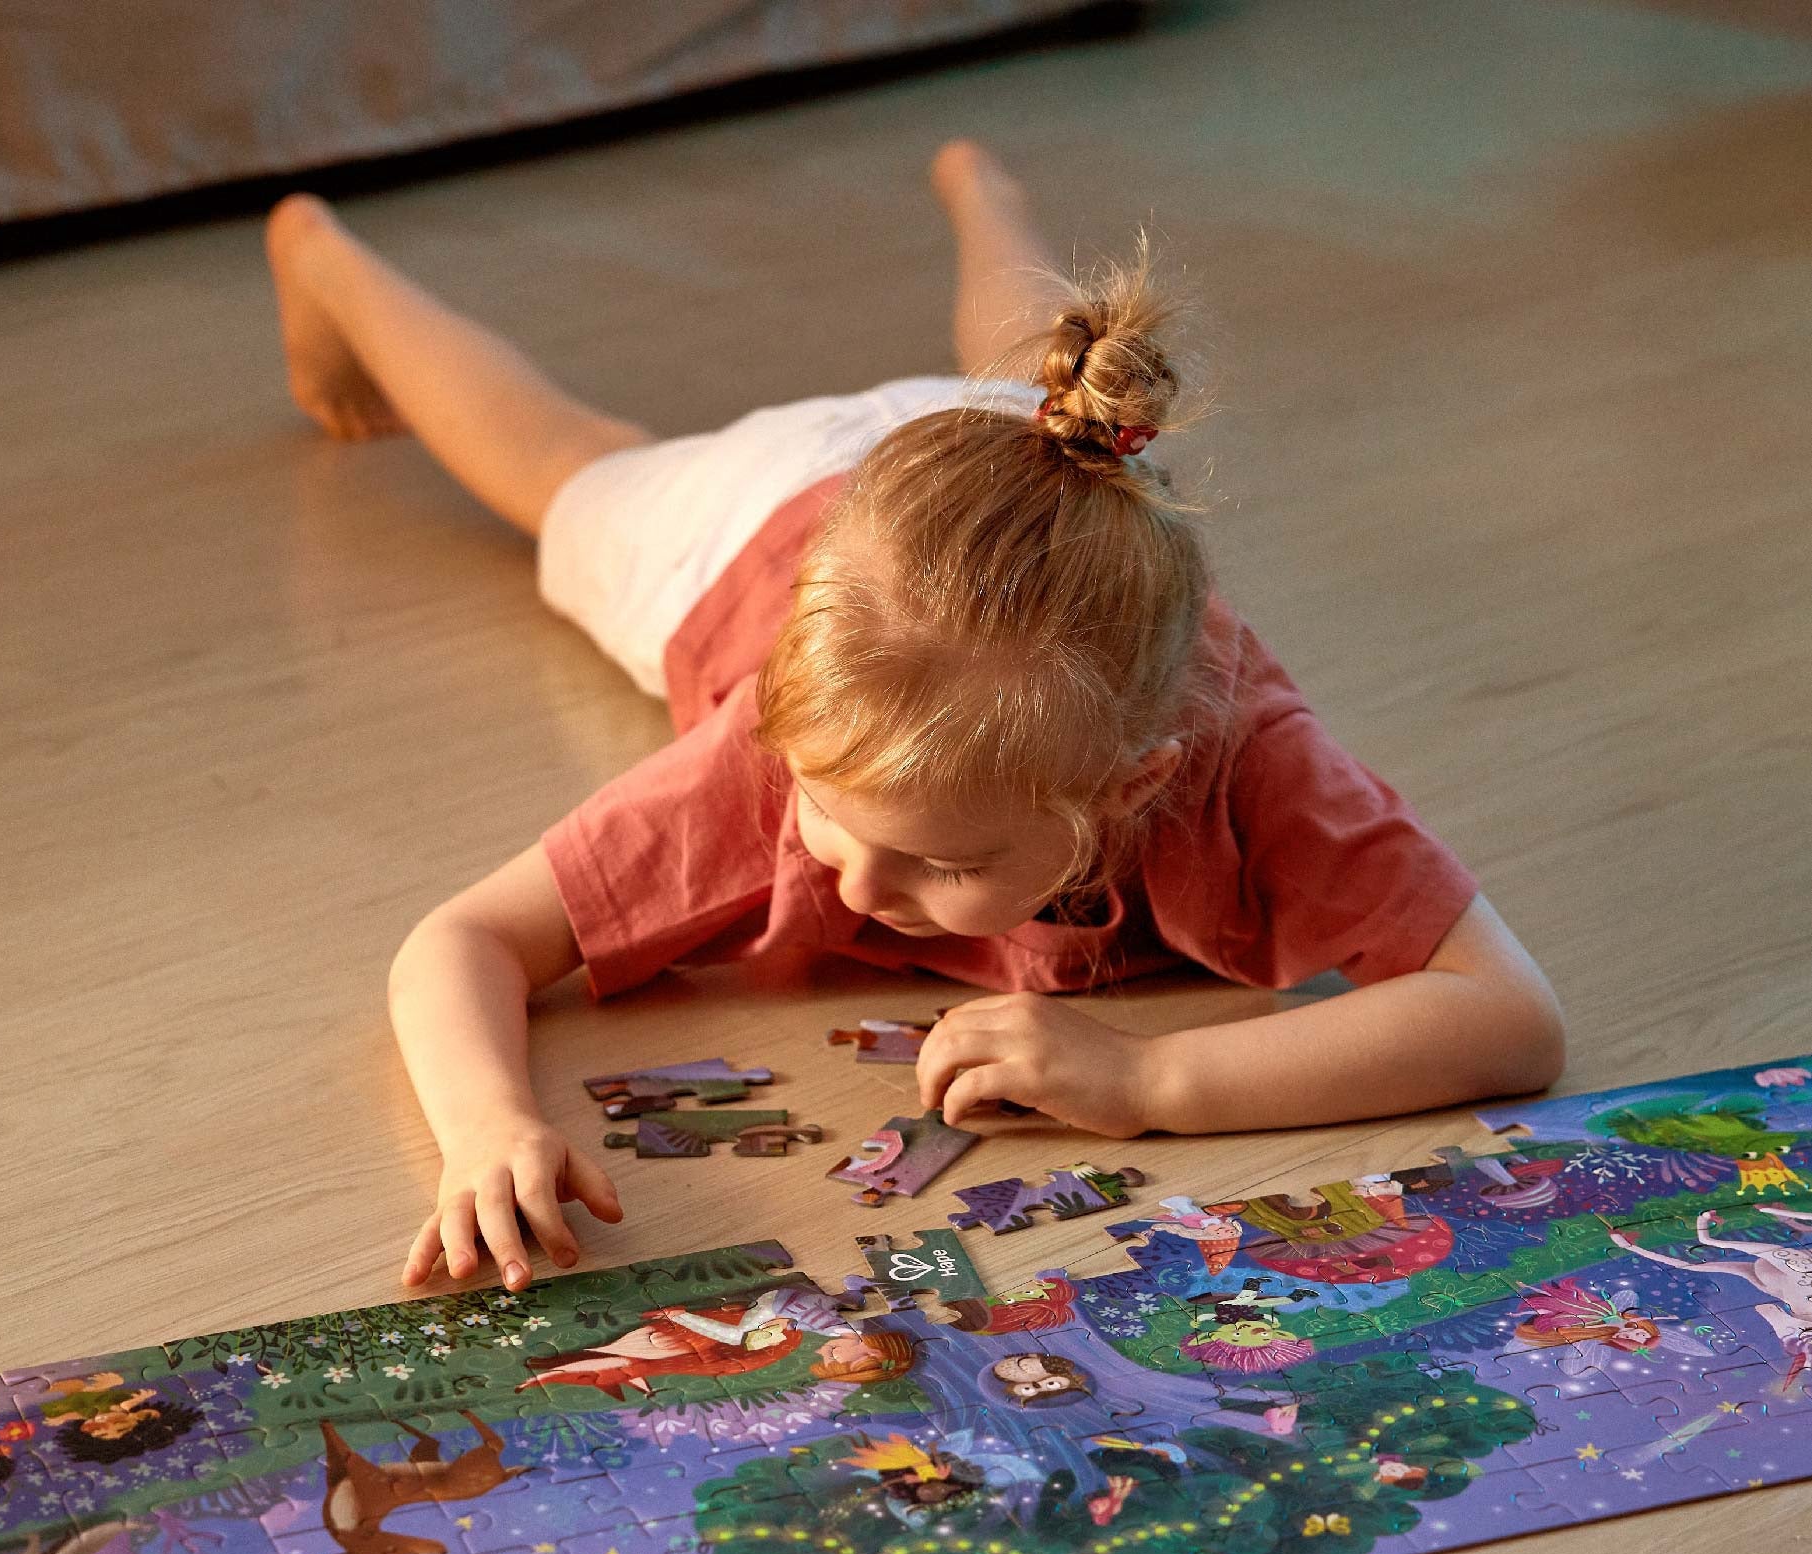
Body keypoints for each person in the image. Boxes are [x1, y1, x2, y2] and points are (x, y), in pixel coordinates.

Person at [262, 140, 1565, 1293]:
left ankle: (979, 185)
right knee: (562, 464)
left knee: (1035, 379)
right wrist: (487, 1126)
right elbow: (461, 939)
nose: (857, 884)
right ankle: (322, 254)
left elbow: (1511, 1016)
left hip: (1015, 460)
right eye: (831, 820)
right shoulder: (770, 766)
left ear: (1129, 786)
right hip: (748, 514)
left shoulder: (1237, 758)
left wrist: (1150, 1078)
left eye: (944, 863)